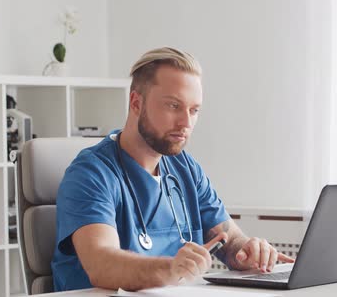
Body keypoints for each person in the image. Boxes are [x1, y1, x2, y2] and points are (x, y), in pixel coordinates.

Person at [51, 47, 294, 292]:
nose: (186, 123)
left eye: (194, 110)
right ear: (136, 103)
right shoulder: (91, 174)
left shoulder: (185, 168)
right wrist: (170, 270)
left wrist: (248, 251)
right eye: (173, 106)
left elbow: (228, 240)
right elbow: (101, 264)